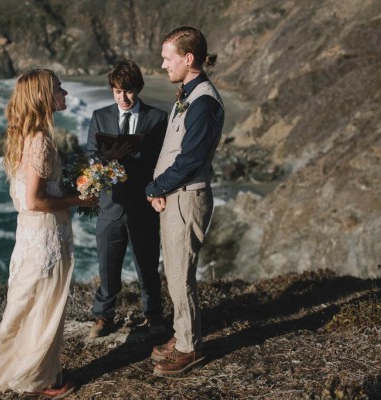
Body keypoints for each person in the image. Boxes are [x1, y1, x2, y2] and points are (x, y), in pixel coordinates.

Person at [0, 69, 97, 398]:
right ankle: (40, 382)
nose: (65, 94)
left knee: (32, 305)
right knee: (45, 308)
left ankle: (38, 373)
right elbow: (34, 199)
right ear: (43, 97)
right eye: (59, 89)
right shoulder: (40, 143)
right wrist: (81, 198)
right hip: (45, 237)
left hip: (31, 235)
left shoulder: (25, 135)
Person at [145, 26, 225, 377]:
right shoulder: (189, 93)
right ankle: (181, 338)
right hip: (176, 196)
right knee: (175, 273)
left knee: (180, 276)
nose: (163, 64)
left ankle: (189, 348)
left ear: (188, 58)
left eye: (168, 57)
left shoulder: (204, 101)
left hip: (187, 198)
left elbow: (191, 158)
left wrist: (155, 186)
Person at [85, 60, 168, 338]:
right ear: (111, 90)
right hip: (111, 205)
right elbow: (91, 155)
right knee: (108, 266)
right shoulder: (99, 116)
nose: (123, 97)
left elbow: (163, 160)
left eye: (129, 91)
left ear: (139, 89)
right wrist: (106, 160)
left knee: (147, 265)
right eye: (118, 91)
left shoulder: (157, 117)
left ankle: (154, 314)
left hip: (144, 204)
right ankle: (103, 317)